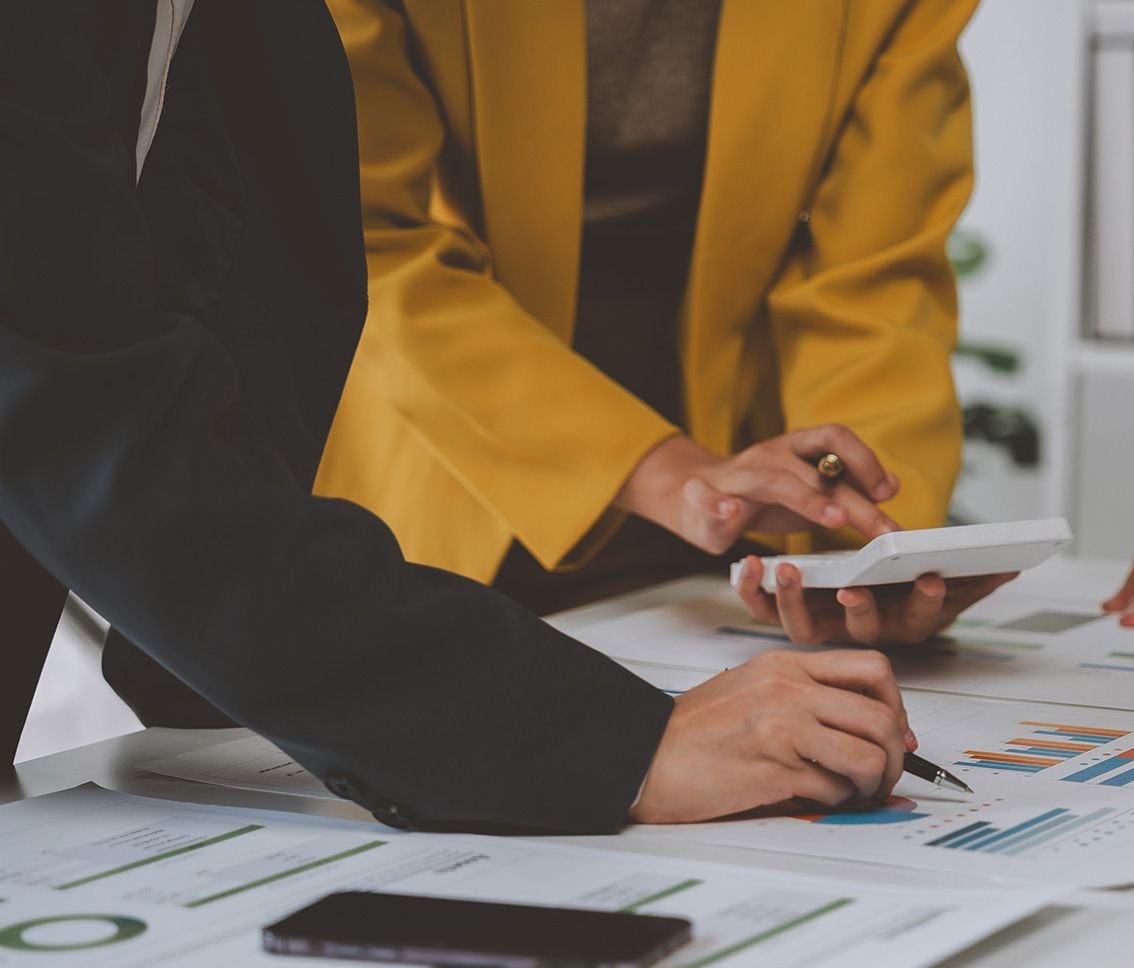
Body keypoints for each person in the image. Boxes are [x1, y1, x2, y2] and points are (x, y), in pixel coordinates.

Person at [0, 0, 915, 832]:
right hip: (417, 530)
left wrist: (887, 544)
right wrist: (603, 739)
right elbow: (83, 408)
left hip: (347, 606)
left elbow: (877, 282)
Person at [315, 0, 1005, 644]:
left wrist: (871, 548)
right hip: (436, 460)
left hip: (737, 500)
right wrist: (669, 474)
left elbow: (872, 275)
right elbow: (365, 241)